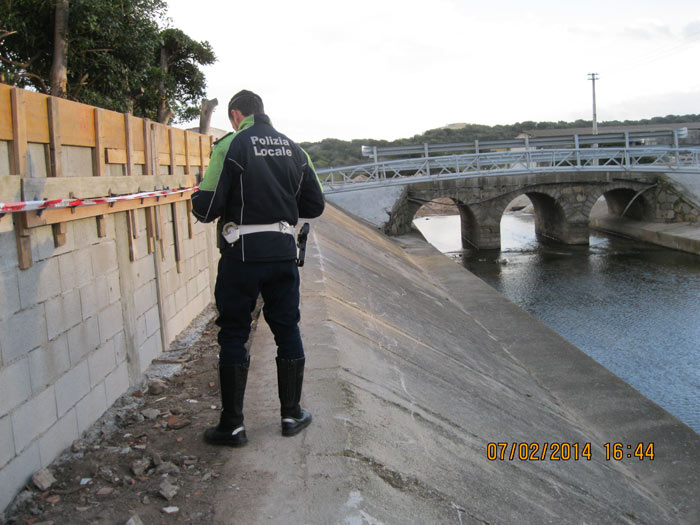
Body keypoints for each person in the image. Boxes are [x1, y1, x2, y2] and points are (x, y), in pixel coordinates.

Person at [191, 90, 325, 447]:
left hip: (240, 257)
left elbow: (205, 209)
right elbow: (315, 203)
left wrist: (196, 195)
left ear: (236, 115)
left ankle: (232, 426)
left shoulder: (230, 146)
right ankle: (291, 414)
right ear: (261, 112)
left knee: (234, 333)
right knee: (287, 329)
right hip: (282, 254)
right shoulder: (295, 149)